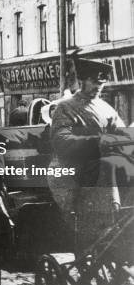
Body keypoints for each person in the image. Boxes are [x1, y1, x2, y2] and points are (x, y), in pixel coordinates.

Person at [50, 58, 127, 250]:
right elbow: (61, 141)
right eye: (94, 82)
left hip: (101, 168)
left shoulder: (107, 109)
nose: (98, 88)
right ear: (82, 80)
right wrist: (98, 142)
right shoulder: (65, 107)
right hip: (70, 169)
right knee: (106, 167)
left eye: (101, 83)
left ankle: (120, 221)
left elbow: (122, 136)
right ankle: (101, 222)